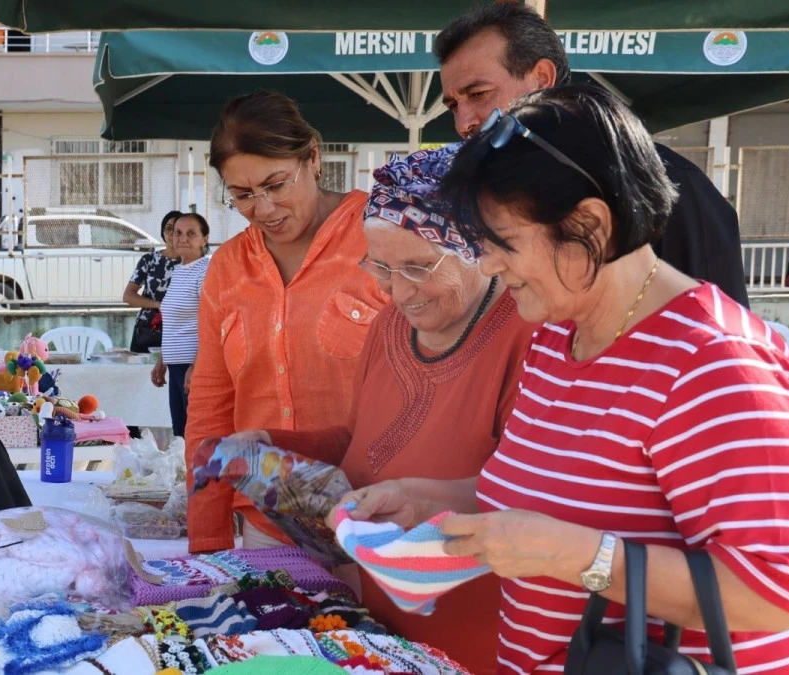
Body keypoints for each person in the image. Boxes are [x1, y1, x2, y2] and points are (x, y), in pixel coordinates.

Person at [339, 85, 789, 673]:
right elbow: (551, 499)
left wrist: (581, 558)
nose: (487, 264)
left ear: (588, 225)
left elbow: (772, 595)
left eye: (502, 243)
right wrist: (422, 498)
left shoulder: (716, 363)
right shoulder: (556, 336)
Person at [228, 145, 534, 675]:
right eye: (381, 268)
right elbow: (360, 438)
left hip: (485, 626)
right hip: (386, 619)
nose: (397, 292)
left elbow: (538, 496)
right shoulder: (391, 325)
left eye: (418, 267)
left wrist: (423, 502)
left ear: (477, 249)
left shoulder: (526, 334)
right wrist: (276, 446)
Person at [433, 2, 750, 307]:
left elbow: (718, 329)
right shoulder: (497, 193)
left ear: (542, 78)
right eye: (454, 106)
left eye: (478, 94)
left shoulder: (670, 182)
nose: (463, 122)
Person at [184, 91, 390, 554]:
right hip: (267, 526)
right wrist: (209, 540)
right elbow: (211, 413)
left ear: (312, 158)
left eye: (276, 185)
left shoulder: (382, 238)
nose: (264, 209)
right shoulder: (228, 268)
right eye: (242, 195)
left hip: (374, 519)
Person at [151, 213, 212, 438]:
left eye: (191, 233)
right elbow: (174, 321)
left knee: (196, 436)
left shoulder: (206, 270)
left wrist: (196, 367)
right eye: (177, 233)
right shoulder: (180, 270)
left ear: (204, 239)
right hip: (177, 364)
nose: (182, 238)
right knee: (180, 435)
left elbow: (211, 322)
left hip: (193, 365)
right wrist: (162, 359)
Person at [125, 210, 182, 353]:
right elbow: (128, 296)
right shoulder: (149, 260)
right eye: (169, 229)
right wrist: (158, 305)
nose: (173, 234)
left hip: (180, 331)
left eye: (178, 230)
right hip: (147, 330)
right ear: (163, 232)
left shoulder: (192, 263)